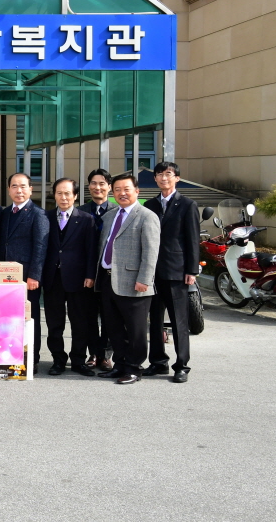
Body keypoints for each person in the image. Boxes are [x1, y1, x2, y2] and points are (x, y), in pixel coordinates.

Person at [95, 173, 160, 385]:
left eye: (126, 189)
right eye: (117, 190)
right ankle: (120, 365)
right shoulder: (110, 216)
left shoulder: (147, 216)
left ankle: (134, 368)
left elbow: (151, 251)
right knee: (113, 328)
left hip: (135, 282)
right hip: (108, 280)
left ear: (137, 191)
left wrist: (145, 279)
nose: (122, 193)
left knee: (135, 330)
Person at [145, 161, 199, 383]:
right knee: (155, 320)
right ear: (155, 179)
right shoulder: (149, 204)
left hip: (176, 271)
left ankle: (182, 365)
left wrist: (192, 270)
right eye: (159, 174)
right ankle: (158, 362)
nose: (163, 177)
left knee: (179, 321)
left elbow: (193, 239)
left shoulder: (187, 205)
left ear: (177, 178)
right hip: (151, 272)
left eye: (168, 174)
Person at [41, 178, 97, 376]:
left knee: (79, 322)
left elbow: (91, 250)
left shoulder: (86, 219)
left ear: (75, 196)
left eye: (67, 193)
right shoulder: (45, 217)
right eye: (59, 193)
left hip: (78, 278)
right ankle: (58, 359)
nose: (63, 197)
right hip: (52, 277)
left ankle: (78, 360)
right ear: (54, 195)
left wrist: (90, 275)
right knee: (54, 323)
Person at [0, 173, 48, 369]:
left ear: (30, 189)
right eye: (14, 186)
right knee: (8, 316)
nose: (19, 190)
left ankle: (32, 358)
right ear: (8, 190)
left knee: (29, 317)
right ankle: (10, 354)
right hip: (5, 275)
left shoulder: (38, 214)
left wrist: (34, 275)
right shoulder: (5, 213)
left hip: (27, 277)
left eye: (23, 186)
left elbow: (40, 246)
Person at [82, 169, 114, 371]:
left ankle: (106, 355)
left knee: (110, 315)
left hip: (109, 273)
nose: (97, 187)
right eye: (93, 183)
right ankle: (93, 353)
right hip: (87, 272)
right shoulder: (81, 211)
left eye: (102, 183)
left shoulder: (118, 211)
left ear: (109, 187)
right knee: (89, 315)